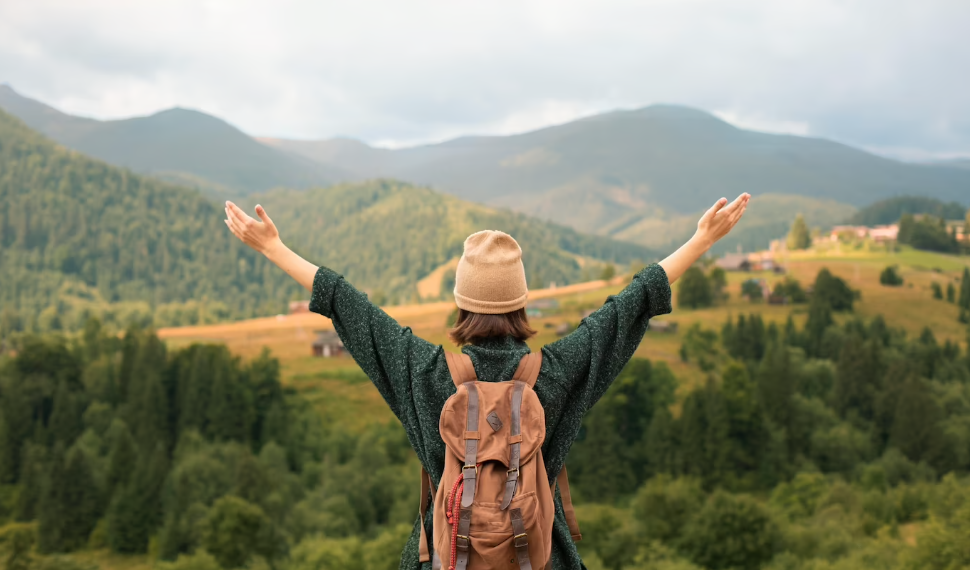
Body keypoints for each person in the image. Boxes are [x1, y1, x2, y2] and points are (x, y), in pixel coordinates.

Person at [224, 192, 750, 569]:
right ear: (520, 301)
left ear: (461, 303)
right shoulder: (559, 370)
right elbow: (630, 305)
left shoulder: (425, 372)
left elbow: (348, 305)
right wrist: (702, 240)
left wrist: (272, 247)